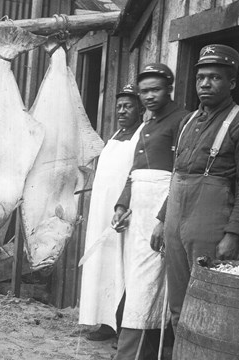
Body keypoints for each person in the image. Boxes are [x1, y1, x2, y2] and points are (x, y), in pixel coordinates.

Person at [153, 45, 239, 343]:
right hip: (176, 219)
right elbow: (178, 175)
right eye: (201, 77)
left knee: (208, 300)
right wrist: (162, 219)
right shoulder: (187, 121)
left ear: (231, 83)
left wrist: (234, 234)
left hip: (211, 223)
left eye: (215, 77)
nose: (205, 83)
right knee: (177, 302)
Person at [111, 63, 188, 360]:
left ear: (169, 88)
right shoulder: (147, 124)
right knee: (138, 280)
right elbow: (136, 170)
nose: (149, 96)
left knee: (151, 284)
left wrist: (163, 218)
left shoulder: (181, 120)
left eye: (155, 89)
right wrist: (123, 204)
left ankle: (132, 354)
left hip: (163, 206)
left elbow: (181, 173)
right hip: (139, 209)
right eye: (144, 91)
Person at [79, 84, 144, 342]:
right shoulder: (115, 134)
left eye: (128, 106)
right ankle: (105, 323)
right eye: (119, 106)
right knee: (101, 265)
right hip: (100, 211)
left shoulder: (141, 136)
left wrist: (125, 206)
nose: (122, 111)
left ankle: (123, 328)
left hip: (124, 212)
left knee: (122, 267)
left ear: (140, 108)